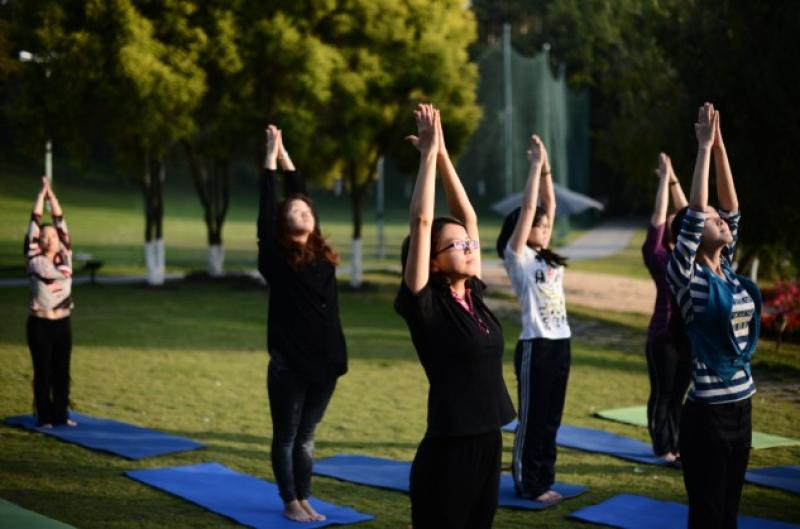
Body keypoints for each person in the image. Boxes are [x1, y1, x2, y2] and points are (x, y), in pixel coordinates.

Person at [395, 104, 515, 529]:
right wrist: (427, 158)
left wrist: (444, 154)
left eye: (469, 245)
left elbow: (469, 218)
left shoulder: (474, 295)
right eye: (457, 247)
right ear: (433, 261)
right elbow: (423, 219)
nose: (469, 248)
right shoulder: (425, 303)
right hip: (449, 449)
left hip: (489, 440)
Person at [667, 103, 761, 529]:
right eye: (710, 220)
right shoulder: (686, 278)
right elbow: (695, 213)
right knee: (707, 515)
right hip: (707, 417)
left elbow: (731, 204)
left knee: (729, 512)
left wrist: (720, 147)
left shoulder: (727, 269)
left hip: (743, 405)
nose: (720, 219)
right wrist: (702, 149)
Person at [257, 124, 347, 523]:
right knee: (288, 436)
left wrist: (287, 155)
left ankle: (305, 497)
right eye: (294, 210)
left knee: (307, 438)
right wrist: (270, 160)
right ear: (281, 222)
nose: (303, 212)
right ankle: (290, 500)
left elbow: (302, 191)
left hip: (326, 362)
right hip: (290, 363)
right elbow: (266, 207)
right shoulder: (275, 258)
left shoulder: (320, 253)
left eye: (306, 210)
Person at [495, 135, 570, 503]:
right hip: (535, 345)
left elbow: (548, 204)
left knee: (552, 418)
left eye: (545, 223)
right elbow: (529, 209)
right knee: (533, 418)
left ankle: (544, 479)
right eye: (536, 224)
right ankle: (527, 483)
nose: (543, 224)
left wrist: (548, 165)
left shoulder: (548, 259)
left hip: (561, 344)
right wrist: (534, 168)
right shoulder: (518, 257)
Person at [642, 152, 691, 463]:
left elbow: (688, 213)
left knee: (679, 395)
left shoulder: (690, 257)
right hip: (663, 337)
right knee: (663, 392)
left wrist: (673, 178)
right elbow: (660, 220)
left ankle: (677, 444)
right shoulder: (659, 257)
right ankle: (663, 447)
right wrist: (663, 180)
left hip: (688, 337)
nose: (676, 220)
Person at [25, 177, 77, 428]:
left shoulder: (66, 254)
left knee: (62, 372)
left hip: (63, 323)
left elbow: (60, 221)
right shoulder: (33, 257)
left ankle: (61, 414)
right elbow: (34, 224)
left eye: (53, 236)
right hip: (40, 325)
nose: (49, 239)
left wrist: (52, 196)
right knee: (43, 372)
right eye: (44, 237)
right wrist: (39, 196)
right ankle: (44, 415)